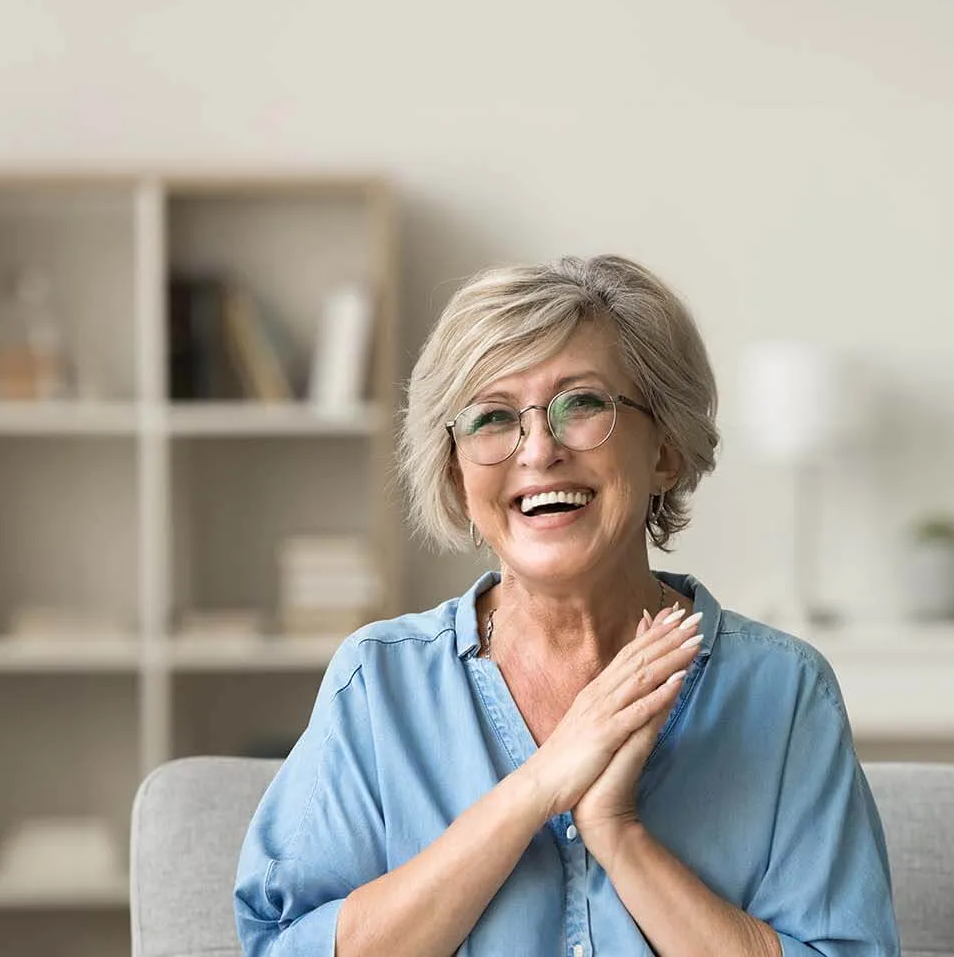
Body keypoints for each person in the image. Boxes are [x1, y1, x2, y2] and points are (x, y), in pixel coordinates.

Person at [235, 255, 898, 956]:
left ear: (666, 450)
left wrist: (619, 834)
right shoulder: (378, 686)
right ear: (458, 477)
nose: (539, 450)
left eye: (582, 404)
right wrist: (534, 791)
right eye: (492, 417)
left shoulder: (782, 693)